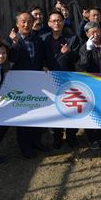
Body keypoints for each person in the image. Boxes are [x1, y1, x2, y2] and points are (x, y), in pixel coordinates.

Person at [5, 11, 47, 158]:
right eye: (23, 21)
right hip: (20, 85)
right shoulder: (10, 41)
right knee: (23, 117)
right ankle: (25, 148)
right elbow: (12, 59)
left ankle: (37, 142)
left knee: (38, 114)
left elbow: (41, 59)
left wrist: (44, 67)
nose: (27, 24)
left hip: (36, 82)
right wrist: (14, 43)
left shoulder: (37, 39)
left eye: (29, 21)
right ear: (17, 24)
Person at [42, 10, 80, 149]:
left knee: (70, 108)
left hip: (68, 79)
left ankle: (71, 136)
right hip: (51, 79)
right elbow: (42, 58)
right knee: (54, 110)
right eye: (53, 21)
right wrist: (44, 65)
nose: (56, 23)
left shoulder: (72, 38)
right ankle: (57, 136)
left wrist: (69, 53)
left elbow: (77, 58)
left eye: (59, 20)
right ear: (49, 24)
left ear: (63, 22)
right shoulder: (44, 39)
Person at [77, 21, 101, 149]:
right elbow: (82, 65)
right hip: (90, 84)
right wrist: (88, 50)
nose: (96, 34)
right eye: (92, 32)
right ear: (87, 34)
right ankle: (92, 139)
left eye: (97, 31)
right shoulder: (84, 47)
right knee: (91, 110)